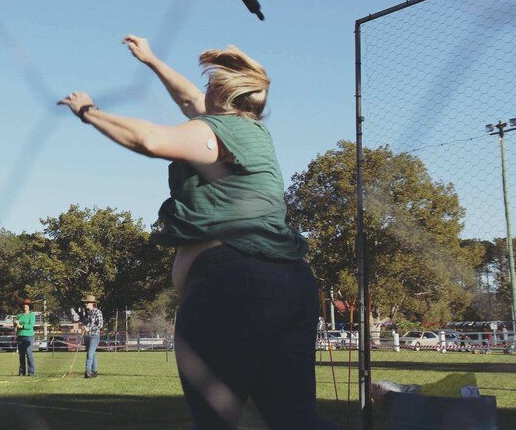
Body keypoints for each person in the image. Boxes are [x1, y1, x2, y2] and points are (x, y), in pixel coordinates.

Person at [57, 35, 335, 429]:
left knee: (216, 421)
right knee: (294, 418)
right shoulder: (251, 131)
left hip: (234, 287)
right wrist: (152, 60)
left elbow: (150, 140)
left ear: (222, 96)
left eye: (209, 86)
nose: (200, 93)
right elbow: (190, 99)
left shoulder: (223, 133)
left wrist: (89, 111)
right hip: (291, 283)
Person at [80, 294, 104, 379]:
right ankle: (94, 371)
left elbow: (100, 325)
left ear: (92, 303)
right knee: (92, 354)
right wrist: (83, 327)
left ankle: (88, 372)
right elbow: (84, 323)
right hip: (87, 337)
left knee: (89, 354)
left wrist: (89, 328)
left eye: (87, 302)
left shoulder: (98, 312)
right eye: (85, 302)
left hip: (94, 336)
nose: (86, 304)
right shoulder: (86, 313)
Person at [14, 298, 36, 376]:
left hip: (29, 336)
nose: (25, 307)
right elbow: (16, 325)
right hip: (20, 336)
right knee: (21, 354)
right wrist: (15, 323)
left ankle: (31, 372)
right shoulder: (19, 315)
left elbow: (30, 326)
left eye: (26, 305)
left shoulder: (32, 315)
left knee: (29, 353)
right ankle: (21, 372)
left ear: (29, 307)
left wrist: (21, 326)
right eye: (24, 305)